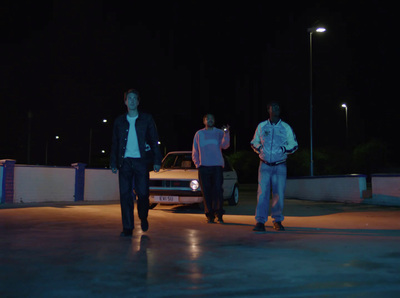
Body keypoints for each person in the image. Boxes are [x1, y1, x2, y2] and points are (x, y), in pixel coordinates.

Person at [110, 88, 162, 237]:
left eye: (134, 98)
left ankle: (143, 217)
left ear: (138, 101)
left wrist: (157, 160)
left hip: (141, 162)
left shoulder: (147, 119)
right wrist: (113, 162)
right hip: (124, 162)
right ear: (125, 101)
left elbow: (154, 140)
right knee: (125, 195)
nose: (132, 101)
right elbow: (115, 143)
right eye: (129, 98)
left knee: (143, 193)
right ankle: (127, 227)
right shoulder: (119, 121)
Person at [250, 102, 298, 232]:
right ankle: (260, 221)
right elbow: (254, 141)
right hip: (264, 165)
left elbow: (293, 144)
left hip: (280, 165)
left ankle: (277, 220)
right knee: (262, 194)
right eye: (273, 107)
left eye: (278, 107)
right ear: (268, 110)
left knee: (278, 194)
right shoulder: (262, 126)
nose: (276, 108)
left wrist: (283, 149)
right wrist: (260, 149)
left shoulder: (285, 127)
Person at [192, 114, 230, 223]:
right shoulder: (199, 133)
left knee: (217, 190)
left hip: (217, 166)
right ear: (204, 121)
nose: (210, 120)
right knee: (206, 191)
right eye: (207, 119)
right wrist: (197, 164)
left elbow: (225, 146)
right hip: (204, 167)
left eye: (212, 119)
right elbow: (195, 149)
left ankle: (219, 214)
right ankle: (210, 215)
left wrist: (226, 133)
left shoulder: (219, 132)